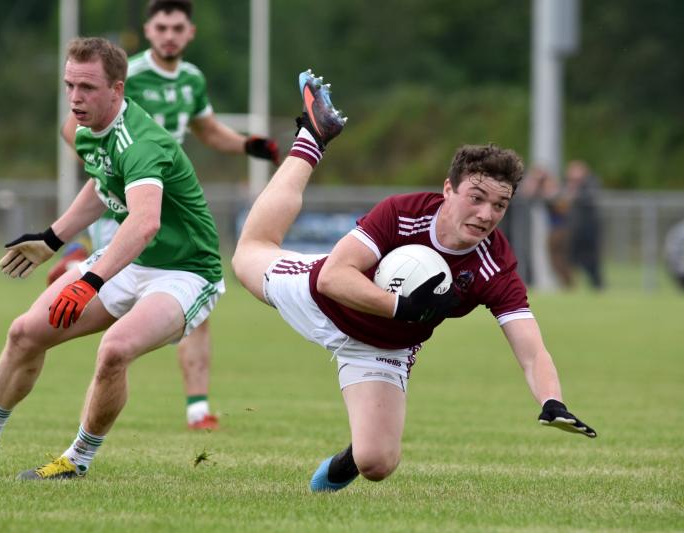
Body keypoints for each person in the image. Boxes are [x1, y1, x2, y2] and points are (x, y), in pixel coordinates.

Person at [231, 70, 597, 493]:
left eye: (500, 204)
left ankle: (344, 464)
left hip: (383, 346)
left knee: (377, 463)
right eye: (476, 198)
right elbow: (333, 277)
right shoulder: (404, 212)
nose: (486, 213)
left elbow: (531, 350)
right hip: (320, 298)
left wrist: (552, 401)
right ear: (448, 189)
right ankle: (313, 137)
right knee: (248, 254)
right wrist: (400, 307)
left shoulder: (494, 263)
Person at [0, 37, 225, 480]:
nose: (76, 98)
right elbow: (102, 187)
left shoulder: (140, 142)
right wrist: (52, 239)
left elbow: (145, 221)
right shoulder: (90, 130)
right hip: (129, 260)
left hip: (185, 272)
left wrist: (90, 281)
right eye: (70, 85)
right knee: (24, 332)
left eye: (88, 88)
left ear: (117, 89)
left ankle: (76, 461)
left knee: (114, 350)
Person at [50, 0, 280, 430]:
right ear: (148, 30)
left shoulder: (192, 79)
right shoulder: (125, 74)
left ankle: (197, 408)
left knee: (190, 306)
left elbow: (207, 131)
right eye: (161, 27)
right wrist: (108, 172)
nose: (169, 34)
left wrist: (248, 145)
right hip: (128, 203)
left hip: (162, 196)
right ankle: (80, 264)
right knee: (122, 314)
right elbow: (73, 129)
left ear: (190, 33)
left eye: (177, 27)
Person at [564, 160, 604, 290]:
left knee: (591, 259)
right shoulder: (567, 184)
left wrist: (576, 192)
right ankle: (571, 285)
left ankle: (598, 285)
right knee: (571, 259)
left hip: (589, 229)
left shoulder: (591, 183)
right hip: (573, 230)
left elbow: (590, 197)